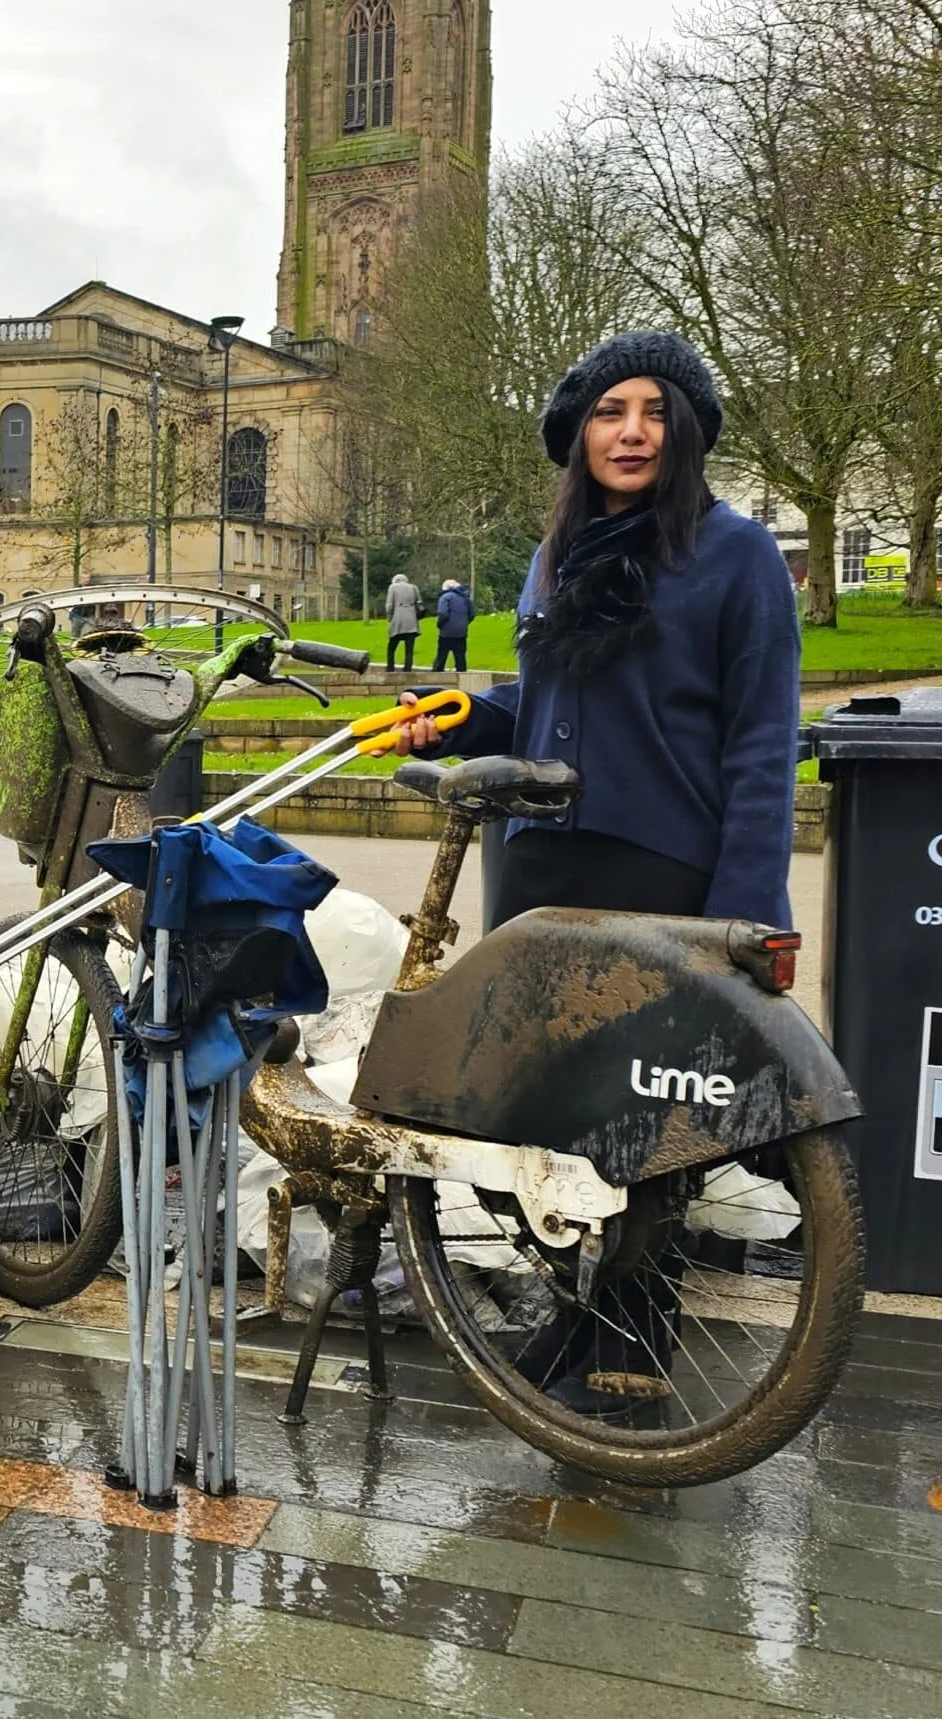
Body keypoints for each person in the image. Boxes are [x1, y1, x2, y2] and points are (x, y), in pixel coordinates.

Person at [398, 330, 799, 1415]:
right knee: (545, 1110)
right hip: (534, 865)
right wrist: (468, 716)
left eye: (655, 411)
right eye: (610, 411)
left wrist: (751, 915)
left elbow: (761, 742)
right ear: (577, 433)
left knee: (645, 1127)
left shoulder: (737, 556)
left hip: (655, 869)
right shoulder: (555, 553)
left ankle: (635, 1338)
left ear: (686, 434)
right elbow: (549, 708)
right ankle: (569, 1315)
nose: (631, 431)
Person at [431, 577, 473, 673]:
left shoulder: (445, 597)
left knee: (441, 656)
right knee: (460, 657)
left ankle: (436, 675)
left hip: (446, 632)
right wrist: (464, 623)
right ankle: (463, 677)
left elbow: (443, 613)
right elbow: (472, 614)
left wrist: (439, 624)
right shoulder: (465, 597)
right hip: (461, 632)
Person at [384, 571, 422, 670]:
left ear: (395, 581)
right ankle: (408, 668)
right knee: (409, 648)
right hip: (412, 620)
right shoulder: (414, 587)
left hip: (398, 619)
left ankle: (390, 667)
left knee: (392, 646)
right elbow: (419, 603)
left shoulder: (392, 588)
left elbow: (389, 606)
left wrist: (390, 618)